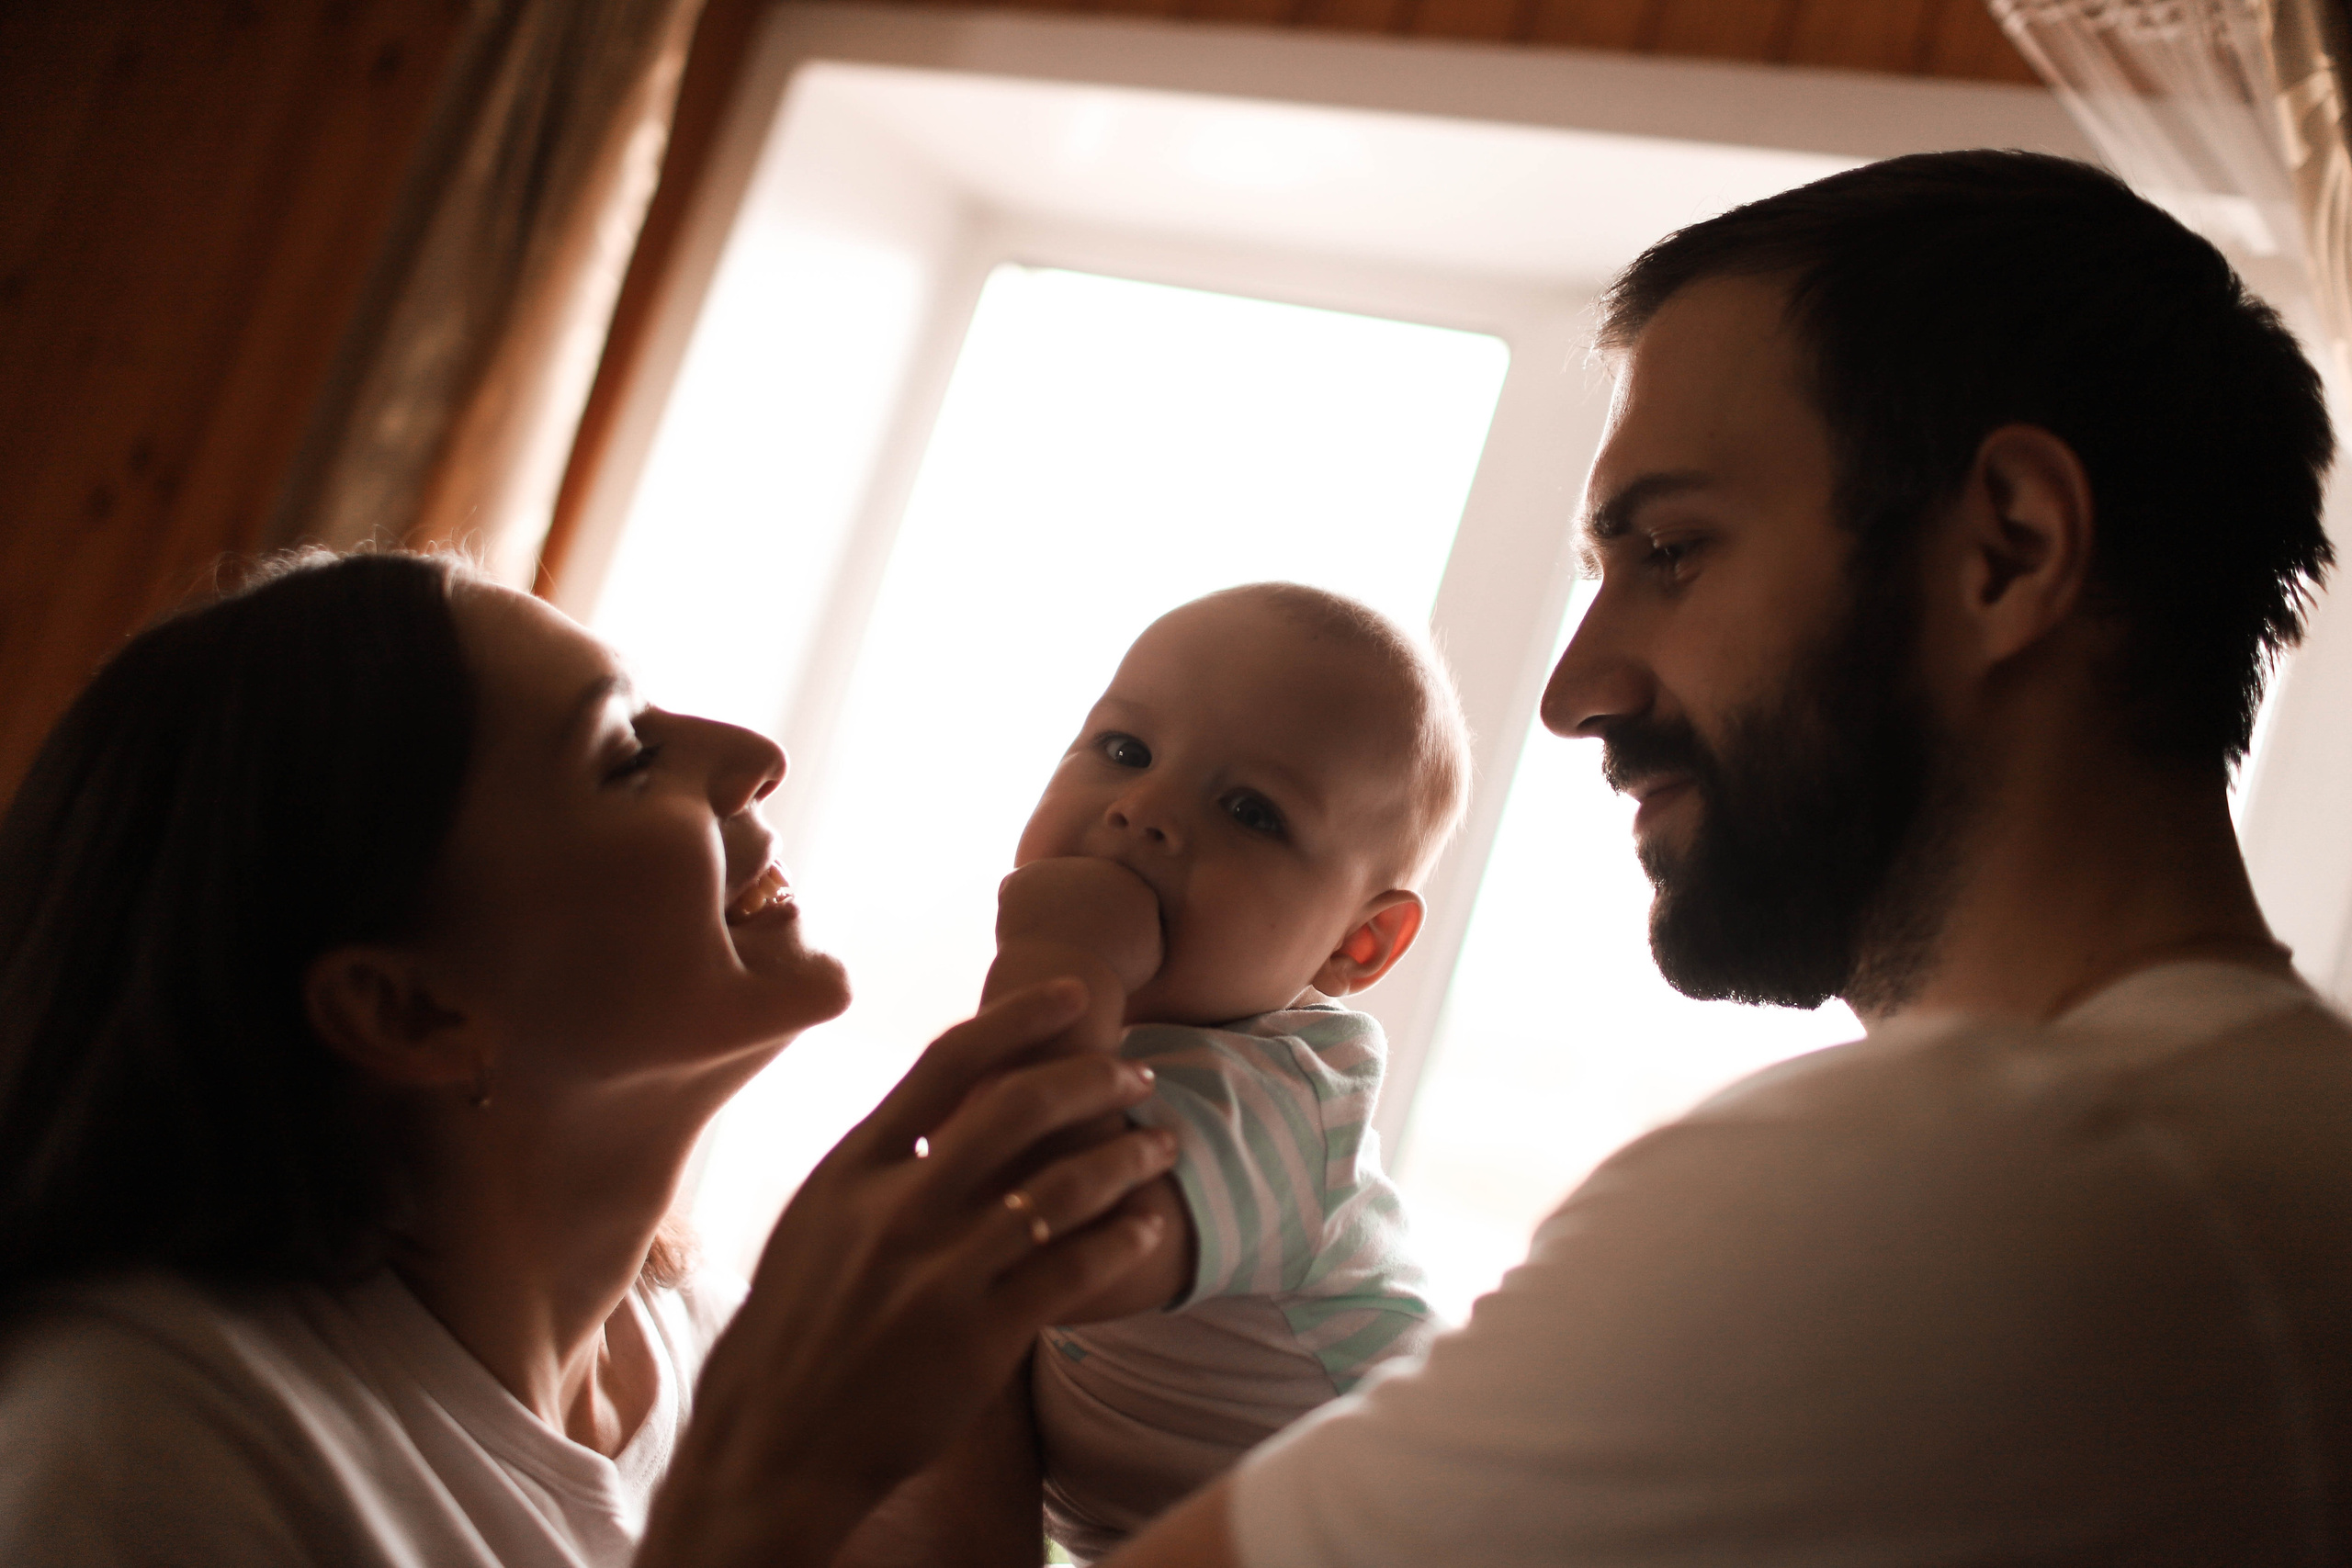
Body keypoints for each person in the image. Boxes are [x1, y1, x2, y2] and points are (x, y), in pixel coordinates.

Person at [1102, 150, 2352, 1563]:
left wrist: (868, 1407)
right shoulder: (2286, 1133)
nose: (1577, 688)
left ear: (2008, 548)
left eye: (1673, 549)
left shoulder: (1927, 1194)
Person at [0, 549, 1181, 1568]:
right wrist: (765, 1494)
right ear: (408, 1010)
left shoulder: (710, 1341)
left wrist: (982, 1328)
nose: (754, 752)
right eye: (624, 754)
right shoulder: (138, 1435)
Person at [979, 583, 1468, 1559]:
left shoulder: (1282, 1099)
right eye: (1124, 750)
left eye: (1250, 810)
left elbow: (1033, 1244)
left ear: (1358, 944)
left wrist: (1056, 973)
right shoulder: (1116, 1057)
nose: (1143, 811)